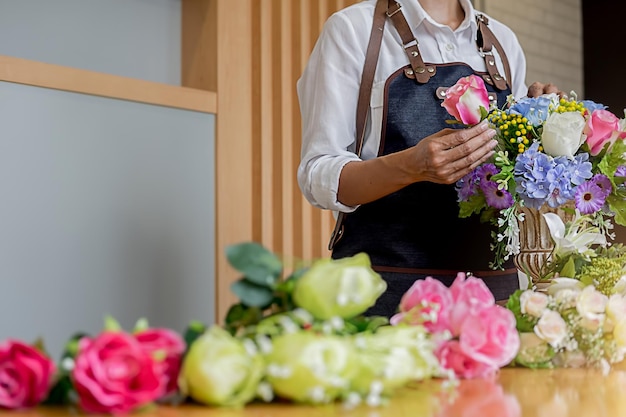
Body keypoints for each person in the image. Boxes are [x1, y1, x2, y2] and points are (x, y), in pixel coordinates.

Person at [297, 0, 559, 317]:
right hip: (386, 292)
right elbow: (318, 174)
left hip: (492, 301)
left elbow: (510, 179)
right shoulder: (353, 30)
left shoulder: (503, 42)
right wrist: (412, 165)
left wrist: (542, 133)